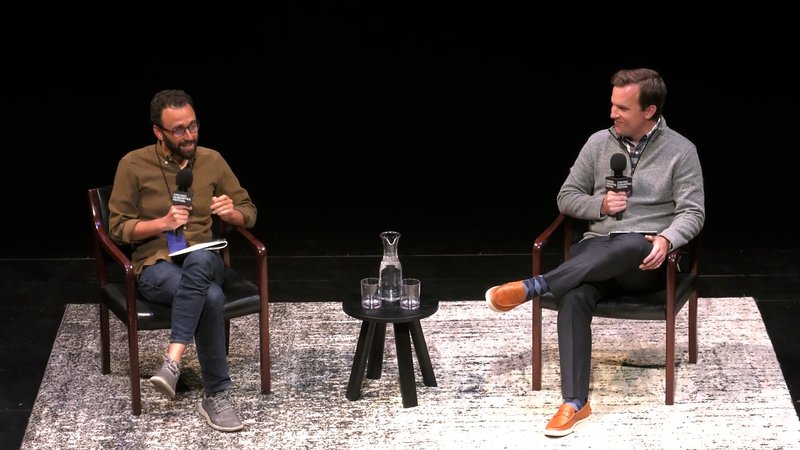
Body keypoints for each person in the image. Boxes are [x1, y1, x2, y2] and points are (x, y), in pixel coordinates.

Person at [485, 68, 705, 437]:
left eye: (622, 108)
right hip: (596, 253)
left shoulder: (681, 151)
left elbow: (692, 211)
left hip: (643, 261)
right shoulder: (597, 144)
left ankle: (535, 286)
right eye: (612, 105)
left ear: (649, 111)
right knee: (573, 295)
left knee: (635, 241)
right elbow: (566, 197)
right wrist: (600, 205)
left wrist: (667, 239)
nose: (613, 114)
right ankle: (574, 403)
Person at [108, 89, 257, 432]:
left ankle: (172, 360)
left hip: (204, 257)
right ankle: (217, 396)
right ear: (158, 132)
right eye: (178, 130)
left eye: (193, 126)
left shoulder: (213, 160)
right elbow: (117, 228)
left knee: (203, 258)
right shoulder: (133, 165)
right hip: (156, 264)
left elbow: (249, 211)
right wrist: (163, 223)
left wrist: (232, 213)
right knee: (212, 297)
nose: (188, 135)